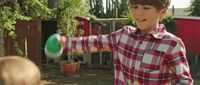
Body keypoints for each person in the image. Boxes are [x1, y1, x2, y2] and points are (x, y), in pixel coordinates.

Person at [59, 0, 193, 84]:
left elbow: (184, 80)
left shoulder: (172, 44)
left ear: (162, 12)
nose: (138, 13)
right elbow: (97, 42)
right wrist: (67, 43)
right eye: (135, 6)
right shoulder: (123, 35)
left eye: (146, 8)